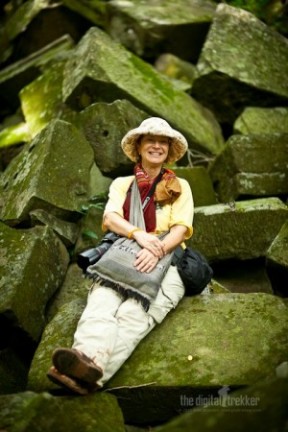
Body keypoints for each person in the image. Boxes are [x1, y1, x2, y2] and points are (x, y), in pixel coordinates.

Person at [47, 117, 194, 395]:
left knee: (133, 316)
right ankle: (83, 361)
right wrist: (140, 235)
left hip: (169, 260)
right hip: (124, 252)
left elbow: (181, 228)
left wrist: (158, 250)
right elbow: (111, 218)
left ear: (168, 150)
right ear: (139, 146)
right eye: (150, 139)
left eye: (163, 141)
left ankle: (85, 375)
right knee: (101, 304)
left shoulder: (180, 187)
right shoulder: (122, 184)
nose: (156, 145)